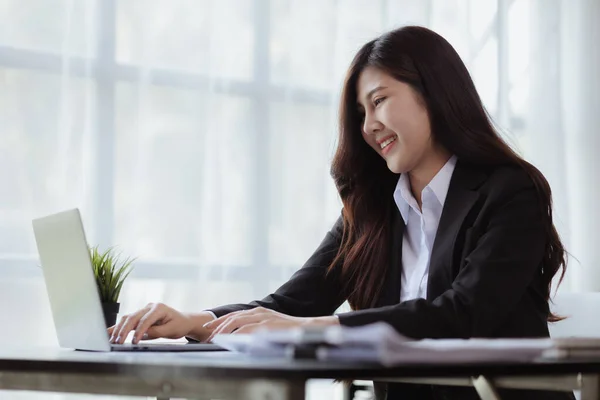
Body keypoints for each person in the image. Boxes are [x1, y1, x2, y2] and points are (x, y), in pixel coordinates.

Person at [108, 26, 573, 400]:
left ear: (432, 92)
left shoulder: (511, 191)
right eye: (360, 112)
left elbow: (461, 314)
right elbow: (291, 306)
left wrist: (319, 328)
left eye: (379, 101)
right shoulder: (373, 210)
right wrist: (195, 321)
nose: (369, 127)